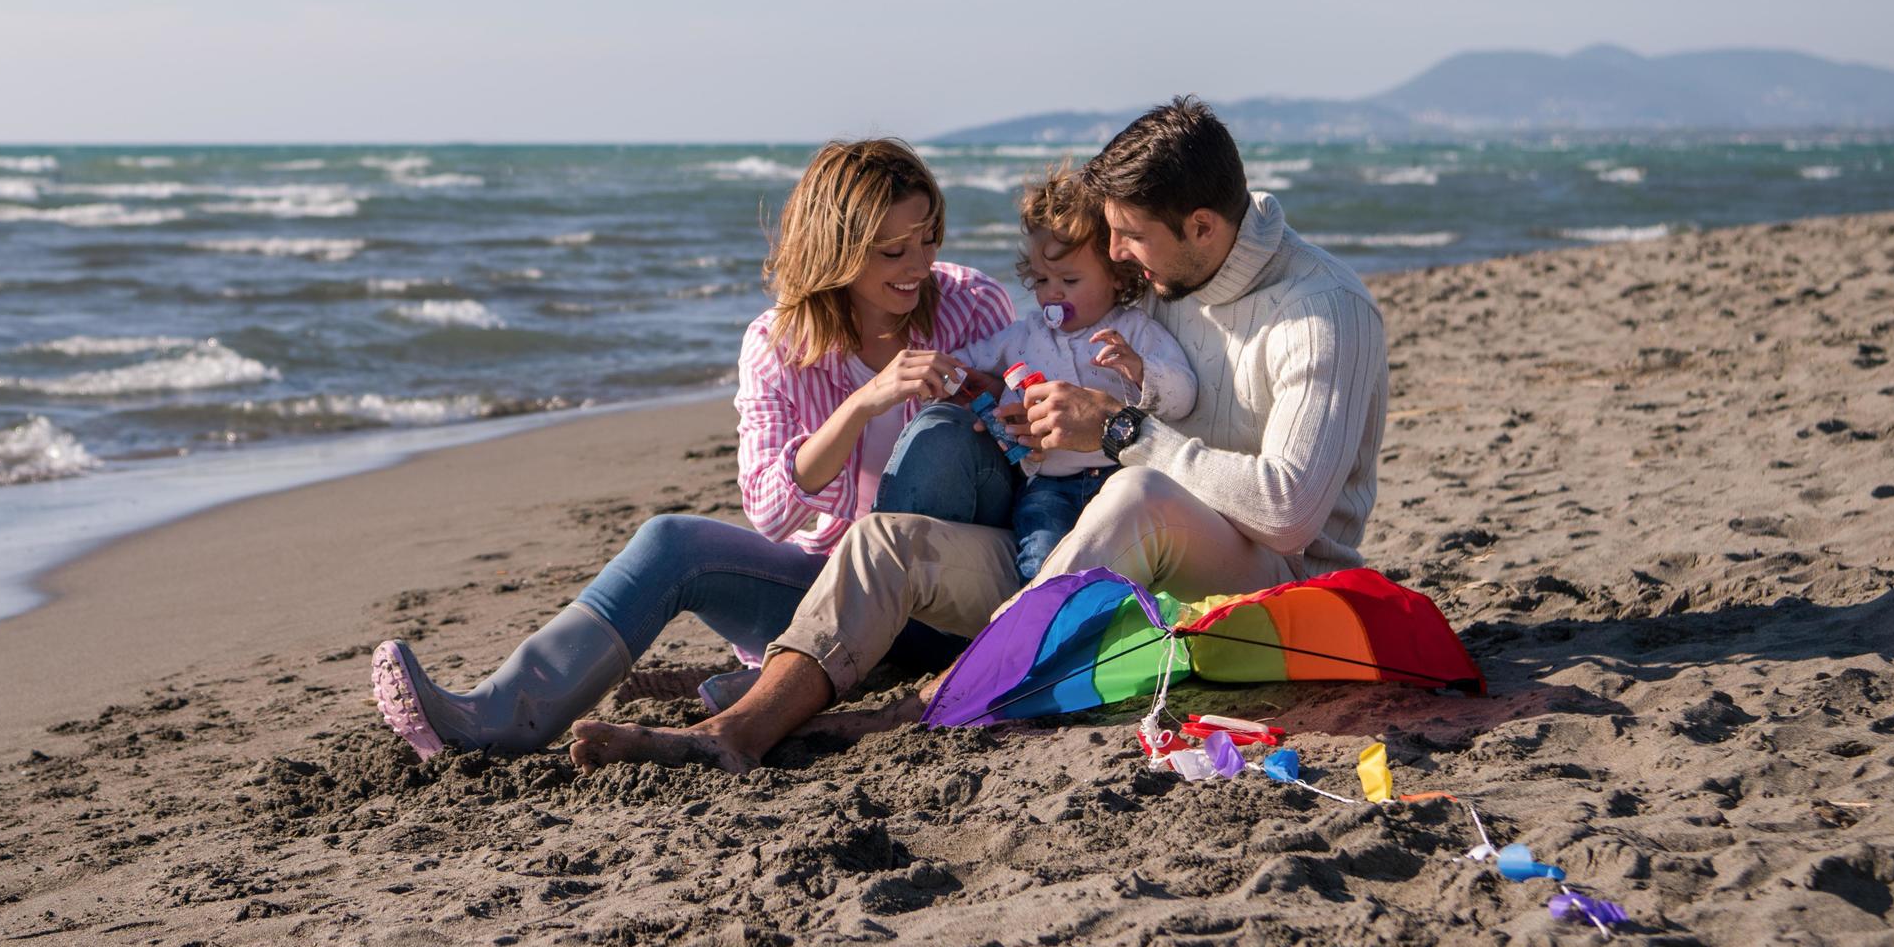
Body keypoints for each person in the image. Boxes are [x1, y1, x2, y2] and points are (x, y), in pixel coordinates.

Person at [569, 96, 1388, 774]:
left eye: (1129, 239)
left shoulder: (1319, 312)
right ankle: (739, 730)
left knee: (1138, 488)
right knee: (885, 542)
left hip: (1265, 578)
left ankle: (926, 702)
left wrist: (1122, 429)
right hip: (1096, 553)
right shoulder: (1167, 285)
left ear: (1203, 227)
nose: (1118, 257)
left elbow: (1287, 515)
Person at [371, 136, 1016, 758]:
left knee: (940, 436)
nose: (918, 266)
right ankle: (502, 711)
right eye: (892, 251)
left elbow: (1033, 443)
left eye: (928, 239)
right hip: (830, 593)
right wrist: (861, 404)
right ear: (837, 250)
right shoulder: (777, 345)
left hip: (949, 597)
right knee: (670, 543)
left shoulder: (971, 306)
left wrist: (999, 405)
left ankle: (792, 683)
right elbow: (769, 509)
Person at [952, 163, 1199, 579]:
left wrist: (1140, 371)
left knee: (1122, 564)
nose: (1052, 292)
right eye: (1041, 279)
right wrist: (949, 374)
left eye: (1069, 279)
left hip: (1120, 479)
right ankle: (1041, 619)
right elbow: (969, 359)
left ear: (1117, 278)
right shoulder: (1023, 335)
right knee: (1041, 558)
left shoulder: (1132, 331)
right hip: (1048, 485)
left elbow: (1184, 394)